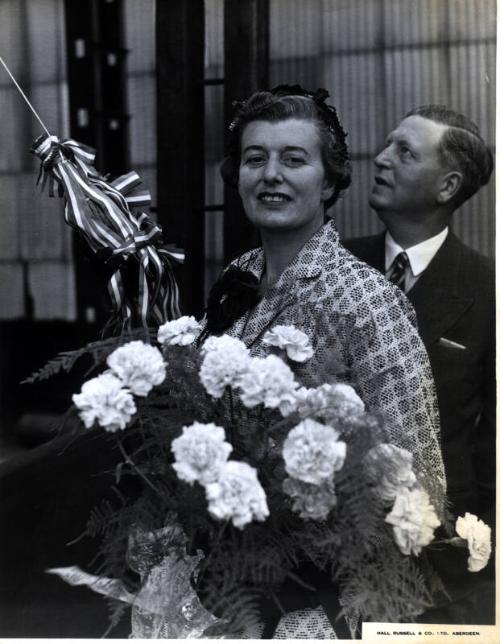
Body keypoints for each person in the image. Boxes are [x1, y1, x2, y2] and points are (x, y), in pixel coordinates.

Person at [202, 86, 447, 637]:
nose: (270, 175)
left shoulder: (368, 300)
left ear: (330, 179)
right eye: (254, 159)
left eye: (294, 159)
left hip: (324, 598)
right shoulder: (236, 278)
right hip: (224, 579)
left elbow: (420, 482)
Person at [344, 105, 495, 624]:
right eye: (387, 146)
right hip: (324, 553)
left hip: (438, 570)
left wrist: (475, 553)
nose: (380, 160)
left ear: (447, 185)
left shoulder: (486, 289)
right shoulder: (331, 266)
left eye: (404, 152)